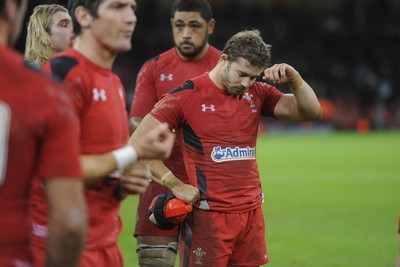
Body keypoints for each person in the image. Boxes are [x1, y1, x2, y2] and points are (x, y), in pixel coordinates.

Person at [130, 29, 322, 266]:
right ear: (224, 59)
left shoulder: (258, 93)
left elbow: (311, 112)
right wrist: (174, 184)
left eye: (253, 77)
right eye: (242, 74)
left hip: (251, 214)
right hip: (209, 220)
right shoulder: (186, 95)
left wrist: (296, 80)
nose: (246, 83)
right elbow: (136, 144)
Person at [30, 1, 175, 267]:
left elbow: (99, 167)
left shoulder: (113, 83)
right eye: (118, 7)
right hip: (62, 246)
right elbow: (56, 169)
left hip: (106, 245)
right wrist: (134, 153)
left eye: (132, 8)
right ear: (84, 16)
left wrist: (122, 184)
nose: (131, 17)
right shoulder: (64, 72)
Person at [128, 0, 220, 265]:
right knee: (154, 260)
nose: (186, 33)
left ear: (210, 26)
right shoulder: (154, 68)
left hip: (208, 189)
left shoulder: (223, 67)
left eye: (195, 25)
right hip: (159, 182)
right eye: (179, 26)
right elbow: (135, 122)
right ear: (172, 26)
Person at [0, 0, 87, 266]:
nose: (73, 32)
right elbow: (69, 221)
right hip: (35, 221)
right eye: (64, 25)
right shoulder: (41, 89)